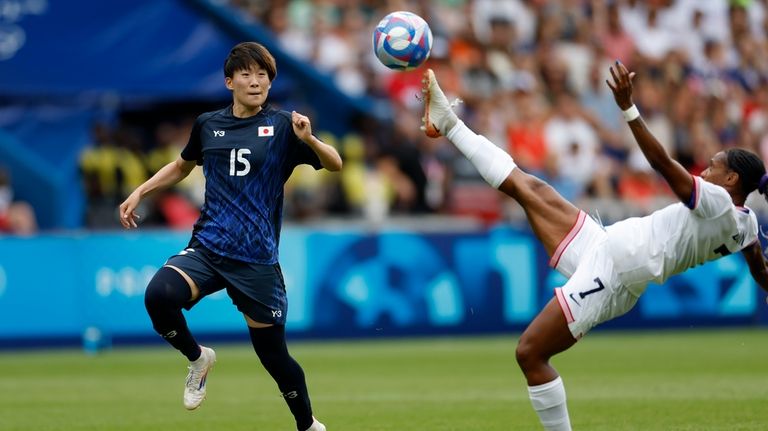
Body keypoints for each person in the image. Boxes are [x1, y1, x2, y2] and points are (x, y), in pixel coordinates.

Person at [420, 62, 768, 430]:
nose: (705, 171)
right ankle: (448, 123)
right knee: (527, 187)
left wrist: (628, 108)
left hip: (614, 273)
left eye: (713, 167)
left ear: (731, 179)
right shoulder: (745, 225)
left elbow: (663, 164)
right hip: (605, 246)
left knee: (530, 353)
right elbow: (760, 269)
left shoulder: (718, 202)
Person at [119, 42, 340, 431]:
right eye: (246, 74)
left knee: (274, 358)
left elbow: (334, 164)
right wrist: (140, 191)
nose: (255, 82)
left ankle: (307, 425)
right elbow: (181, 166)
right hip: (208, 248)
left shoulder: (286, 127)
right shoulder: (208, 124)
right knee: (158, 296)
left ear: (271, 84)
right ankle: (197, 358)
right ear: (229, 81)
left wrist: (309, 139)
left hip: (256, 259)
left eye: (263, 76)